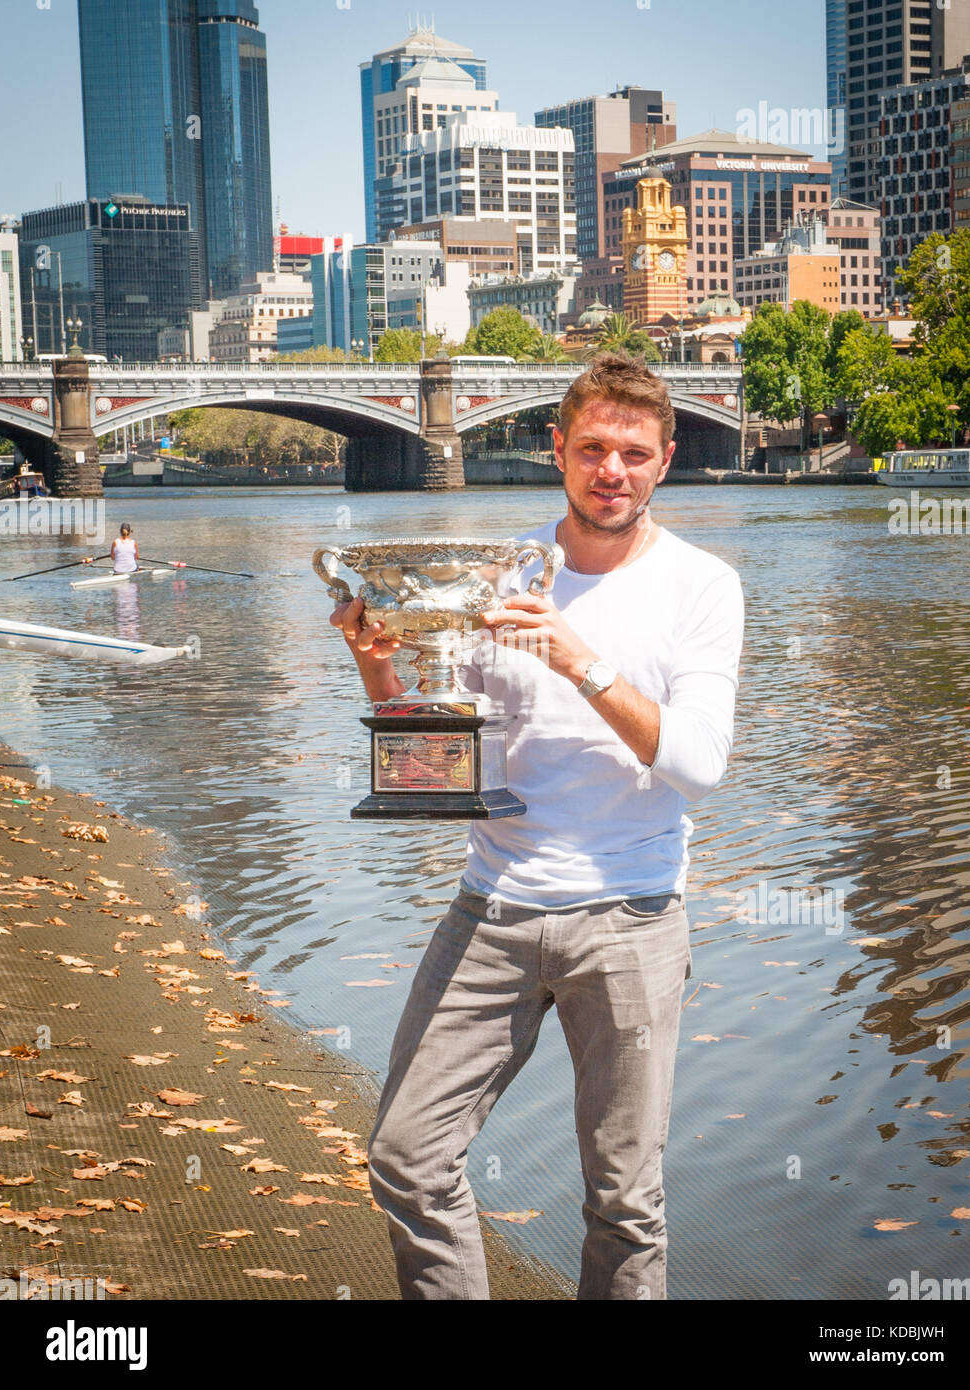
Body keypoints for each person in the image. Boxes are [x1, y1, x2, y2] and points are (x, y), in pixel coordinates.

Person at [329, 352, 745, 1300]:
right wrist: (380, 668)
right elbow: (440, 783)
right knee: (406, 1156)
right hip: (495, 906)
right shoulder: (492, 575)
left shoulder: (703, 586)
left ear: (666, 460)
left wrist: (580, 660)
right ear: (556, 450)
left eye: (633, 454)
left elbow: (697, 765)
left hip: (634, 917)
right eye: (593, 448)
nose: (613, 471)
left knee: (624, 1201)